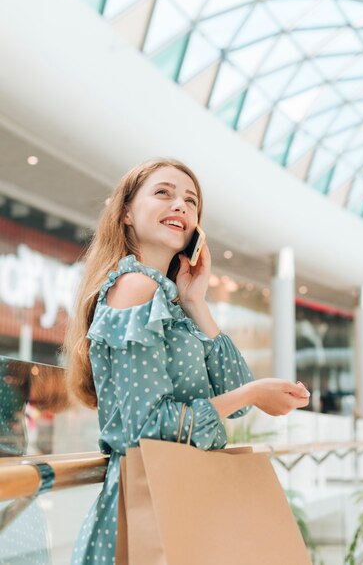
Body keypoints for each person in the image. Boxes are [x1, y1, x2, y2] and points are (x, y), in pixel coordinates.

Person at [63, 157, 311, 565]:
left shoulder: (170, 299)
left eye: (190, 201)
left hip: (180, 503)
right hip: (151, 509)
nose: (180, 205)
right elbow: (148, 428)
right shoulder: (135, 288)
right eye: (163, 193)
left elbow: (241, 400)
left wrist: (195, 300)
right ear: (125, 213)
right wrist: (250, 392)